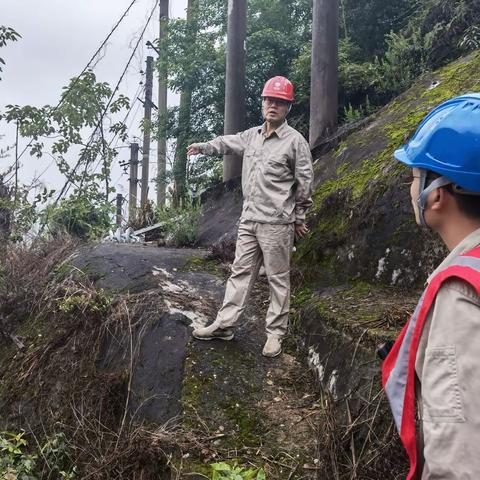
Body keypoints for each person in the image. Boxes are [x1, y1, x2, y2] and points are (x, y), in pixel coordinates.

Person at [382, 93, 480, 479]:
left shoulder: (458, 296)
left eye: (415, 175)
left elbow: (458, 461)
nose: (411, 187)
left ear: (436, 194)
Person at [187, 76, 313, 357]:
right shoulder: (252, 136)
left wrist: (299, 216)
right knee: (240, 272)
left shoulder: (295, 142)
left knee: (278, 279)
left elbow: (304, 182)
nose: (273, 106)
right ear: (263, 103)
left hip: (277, 222)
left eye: (280, 102)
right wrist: (204, 146)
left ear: (288, 107)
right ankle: (225, 324)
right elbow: (227, 143)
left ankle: (275, 334)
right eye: (269, 100)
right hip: (250, 219)